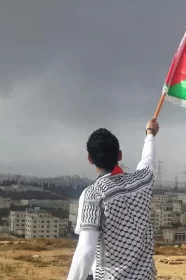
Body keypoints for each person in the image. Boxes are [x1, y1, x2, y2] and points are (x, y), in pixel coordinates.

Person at [67, 118, 159, 280]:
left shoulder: (93, 194)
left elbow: (85, 252)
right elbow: (148, 159)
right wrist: (150, 134)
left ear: (90, 159)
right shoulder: (142, 181)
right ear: (120, 155)